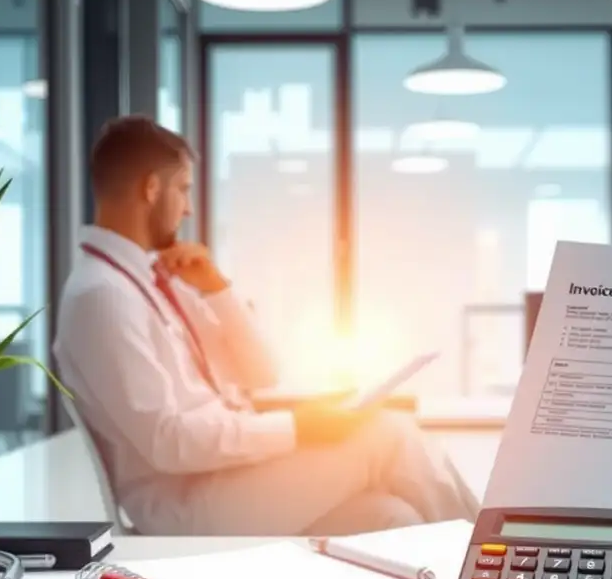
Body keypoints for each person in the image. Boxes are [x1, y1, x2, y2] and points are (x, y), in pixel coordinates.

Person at [53, 115, 479, 536]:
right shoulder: (102, 296)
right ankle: (504, 568)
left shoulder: (150, 282)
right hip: (186, 501)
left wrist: (217, 290)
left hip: (226, 476)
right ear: (151, 188)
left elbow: (260, 372)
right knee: (389, 434)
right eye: (183, 189)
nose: (188, 208)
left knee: (392, 516)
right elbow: (168, 441)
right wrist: (299, 427)